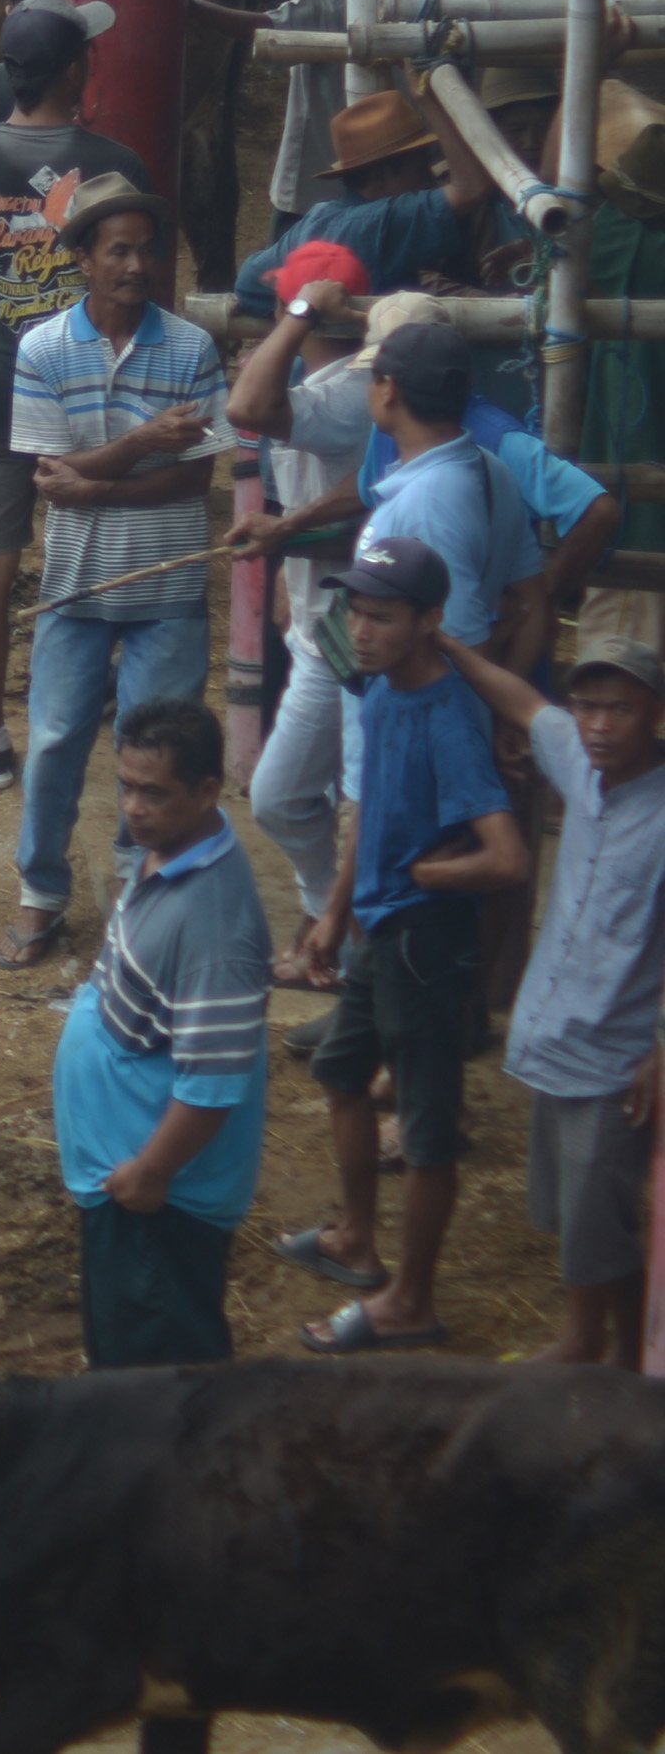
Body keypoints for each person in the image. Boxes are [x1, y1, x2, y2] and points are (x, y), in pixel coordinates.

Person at [288, 533, 524, 1354]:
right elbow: (371, 814)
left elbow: (507, 855)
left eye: (382, 616)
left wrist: (432, 877)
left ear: (430, 622)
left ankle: (411, 1301)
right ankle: (357, 1238)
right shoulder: (383, 691)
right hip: (379, 931)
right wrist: (332, 912)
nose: (360, 629)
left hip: (424, 945)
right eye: (356, 611)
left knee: (425, 1132)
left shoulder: (449, 719)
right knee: (341, 1071)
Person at [0, 0, 151, 795]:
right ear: (76, 70)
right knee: (86, 554)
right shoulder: (117, 164)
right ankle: (79, 705)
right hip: (92, 392)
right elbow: (146, 288)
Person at [0, 184, 224, 969]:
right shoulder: (43, 350)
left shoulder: (191, 349)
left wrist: (98, 485)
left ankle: (143, 902)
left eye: (145, 250)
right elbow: (48, 472)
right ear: (83, 260)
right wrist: (137, 447)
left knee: (155, 755)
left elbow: (196, 481)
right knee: (56, 741)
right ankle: (41, 895)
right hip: (77, 587)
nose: (135, 266)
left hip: (169, 589)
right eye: (116, 251)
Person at [444, 617, 665, 1368]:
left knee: (600, 1222)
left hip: (617, 1053)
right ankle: (618, 1351)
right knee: (584, 1217)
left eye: (622, 709)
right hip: (555, 1032)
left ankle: (595, 1349)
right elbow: (519, 701)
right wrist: (448, 645)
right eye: (589, 706)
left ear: (655, 715)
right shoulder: (576, 757)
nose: (599, 726)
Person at [51, 700, 270, 1368]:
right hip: (126, 1172)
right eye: (125, 785)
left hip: (159, 1200)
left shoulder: (216, 929)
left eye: (154, 792)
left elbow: (213, 1085)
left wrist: (149, 1174)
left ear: (209, 790)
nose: (133, 807)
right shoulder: (164, 853)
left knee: (160, 1376)